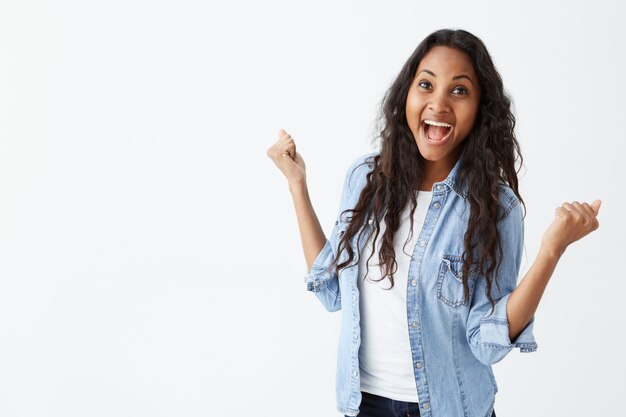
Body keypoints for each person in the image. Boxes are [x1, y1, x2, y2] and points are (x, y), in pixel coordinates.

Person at [266, 28, 601, 417]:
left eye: (459, 90)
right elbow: (331, 290)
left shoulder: (496, 207)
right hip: (363, 403)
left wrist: (550, 252)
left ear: (480, 109)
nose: (438, 103)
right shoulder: (365, 178)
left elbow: (487, 341)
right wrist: (297, 184)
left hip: (450, 408)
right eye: (426, 85)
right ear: (406, 94)